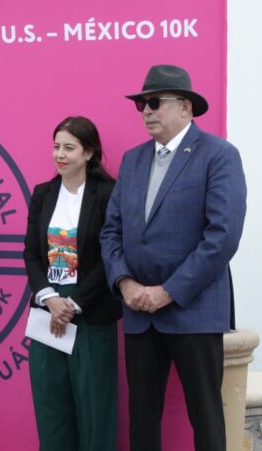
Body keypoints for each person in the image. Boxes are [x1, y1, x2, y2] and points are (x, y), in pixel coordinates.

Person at [100, 64, 247, 451]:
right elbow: (111, 231)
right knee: (142, 419)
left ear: (185, 107)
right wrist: (125, 284)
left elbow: (222, 237)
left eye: (154, 102)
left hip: (194, 309)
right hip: (138, 312)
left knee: (206, 417)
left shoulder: (219, 155)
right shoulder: (132, 160)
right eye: (141, 105)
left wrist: (167, 292)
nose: (146, 111)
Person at [23, 116, 121, 451]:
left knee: (95, 408)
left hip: (90, 310)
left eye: (69, 147)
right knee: (51, 405)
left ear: (89, 152)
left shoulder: (109, 194)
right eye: (56, 147)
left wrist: (74, 303)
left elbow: (111, 256)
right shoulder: (43, 193)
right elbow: (31, 253)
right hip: (48, 309)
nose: (60, 155)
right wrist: (49, 298)